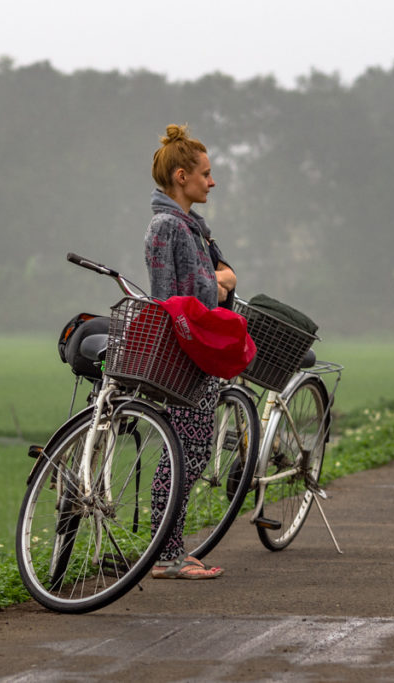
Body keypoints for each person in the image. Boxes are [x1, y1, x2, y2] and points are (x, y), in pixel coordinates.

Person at [145, 123, 236, 579]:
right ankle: (165, 557)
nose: (211, 181)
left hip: (193, 352)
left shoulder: (186, 226)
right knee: (182, 452)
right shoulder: (166, 227)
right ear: (182, 177)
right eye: (205, 173)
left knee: (191, 452)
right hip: (183, 356)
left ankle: (172, 550)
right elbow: (171, 297)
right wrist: (219, 284)